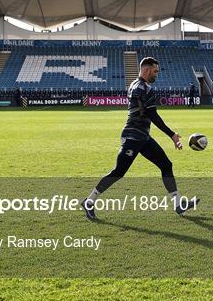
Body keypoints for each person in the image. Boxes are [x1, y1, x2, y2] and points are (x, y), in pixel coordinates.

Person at [81, 57, 199, 220]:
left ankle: (179, 205)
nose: (157, 74)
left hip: (142, 137)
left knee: (166, 164)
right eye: (155, 71)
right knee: (118, 172)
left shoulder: (135, 85)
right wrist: (172, 134)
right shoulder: (144, 88)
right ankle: (89, 201)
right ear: (146, 70)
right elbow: (153, 115)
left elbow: (146, 113)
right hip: (133, 137)